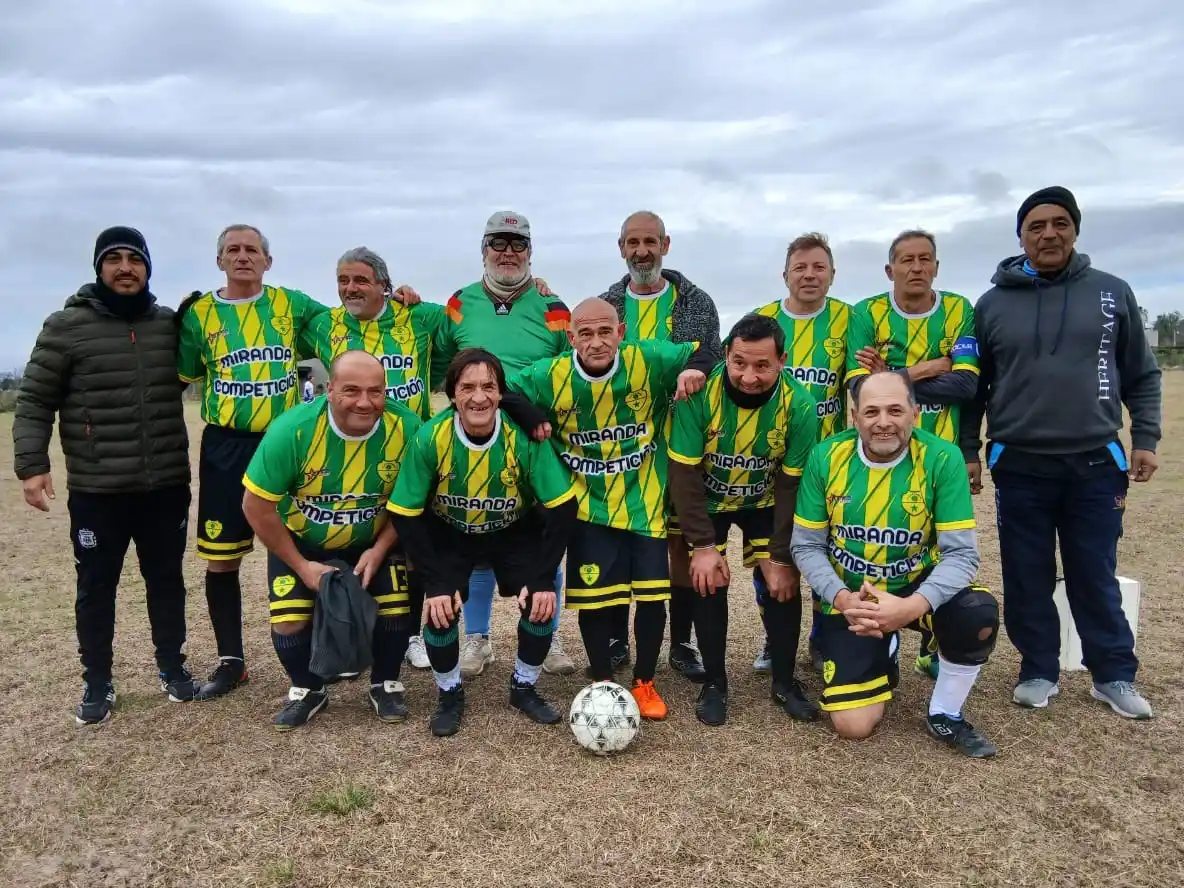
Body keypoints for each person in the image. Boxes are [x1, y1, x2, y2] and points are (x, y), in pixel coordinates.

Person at [961, 186, 1161, 719]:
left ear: (1074, 230)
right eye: (1036, 226)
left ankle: (1113, 673)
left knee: (1092, 569)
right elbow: (974, 386)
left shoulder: (1110, 292)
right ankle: (1038, 669)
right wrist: (969, 450)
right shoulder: (992, 303)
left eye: (1059, 224)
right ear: (1021, 236)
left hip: (1095, 462)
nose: (1048, 234)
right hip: (1020, 462)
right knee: (1027, 571)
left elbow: (1141, 373)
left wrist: (1146, 439)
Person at [14, 226, 198, 724]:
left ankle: (173, 669)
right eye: (113, 259)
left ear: (147, 267)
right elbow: (33, 401)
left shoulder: (167, 325)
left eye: (134, 259)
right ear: (98, 267)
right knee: (97, 586)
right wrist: (32, 466)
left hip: (164, 484)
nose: (124, 268)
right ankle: (97, 681)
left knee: (166, 580)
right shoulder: (65, 327)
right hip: (99, 489)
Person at [509, 297, 713, 719]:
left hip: (644, 505)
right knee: (597, 602)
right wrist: (529, 414)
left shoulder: (648, 358)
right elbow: (503, 388)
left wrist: (697, 369)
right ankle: (602, 679)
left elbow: (706, 349)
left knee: (652, 599)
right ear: (571, 338)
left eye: (606, 332)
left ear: (621, 332)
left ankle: (644, 682)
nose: (597, 342)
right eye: (586, 333)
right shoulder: (550, 376)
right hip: (588, 510)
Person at [791, 370, 999, 758]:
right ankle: (883, 648)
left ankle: (945, 713)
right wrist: (840, 598)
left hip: (917, 590)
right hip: (855, 599)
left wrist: (908, 608)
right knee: (853, 726)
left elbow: (961, 555)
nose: (883, 422)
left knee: (976, 613)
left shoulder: (942, 457)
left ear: (915, 414)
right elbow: (806, 547)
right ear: (854, 417)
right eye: (871, 412)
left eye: (894, 410)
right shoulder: (826, 457)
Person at [388, 349, 578, 736]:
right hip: (450, 532)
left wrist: (542, 577)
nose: (479, 397)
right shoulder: (431, 438)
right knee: (440, 610)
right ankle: (449, 693)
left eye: (488, 387)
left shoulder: (523, 437)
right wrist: (435, 580)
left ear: (501, 393)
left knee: (540, 604)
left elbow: (563, 507)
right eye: (468, 387)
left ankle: (523, 687)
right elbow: (404, 512)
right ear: (452, 393)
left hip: (511, 530)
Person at [420, 211, 576, 677]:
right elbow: (443, 364)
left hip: (534, 437)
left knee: (545, 532)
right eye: (498, 243)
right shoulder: (458, 303)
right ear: (483, 248)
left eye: (518, 244)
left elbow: (569, 373)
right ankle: (477, 638)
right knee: (478, 531)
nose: (508, 252)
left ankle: (547, 636)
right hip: (470, 433)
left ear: (531, 251)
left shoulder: (554, 306)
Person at [177, 223, 327, 700]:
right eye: (233, 250)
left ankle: (326, 648)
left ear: (268, 261)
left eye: (253, 250)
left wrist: (396, 293)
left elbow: (348, 322)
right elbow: (182, 373)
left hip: (286, 442)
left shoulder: (293, 306)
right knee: (222, 559)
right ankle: (231, 660)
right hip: (226, 444)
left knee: (309, 546)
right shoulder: (198, 315)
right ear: (219, 260)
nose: (243, 256)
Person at [241, 350, 423, 729]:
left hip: (371, 539)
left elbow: (412, 501)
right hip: (303, 542)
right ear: (329, 390)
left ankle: (385, 684)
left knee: (395, 607)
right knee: (289, 620)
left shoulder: (407, 428)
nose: (364, 402)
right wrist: (301, 565)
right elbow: (256, 507)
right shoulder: (292, 430)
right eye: (351, 390)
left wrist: (380, 547)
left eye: (375, 392)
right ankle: (308, 690)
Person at [668, 314, 821, 725]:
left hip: (766, 500)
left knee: (783, 585)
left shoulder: (801, 405)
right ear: (727, 355)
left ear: (782, 360)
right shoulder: (698, 395)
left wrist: (782, 557)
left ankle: (785, 682)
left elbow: (792, 486)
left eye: (762, 366)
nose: (749, 376)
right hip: (709, 500)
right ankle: (715, 682)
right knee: (707, 578)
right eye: (739, 363)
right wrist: (701, 546)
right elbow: (683, 474)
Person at [303, 246, 448, 672]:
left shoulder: (420, 317)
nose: (351, 288)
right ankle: (346, 629)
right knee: (355, 538)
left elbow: (470, 315)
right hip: (346, 450)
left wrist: (537, 289)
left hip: (412, 450)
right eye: (343, 280)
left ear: (385, 284)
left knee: (413, 544)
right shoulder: (321, 323)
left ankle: (414, 634)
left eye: (361, 280)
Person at [594, 210, 723, 683]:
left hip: (678, 445)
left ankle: (681, 643)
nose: (641, 250)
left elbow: (711, 353)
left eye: (650, 241)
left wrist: (697, 367)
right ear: (621, 247)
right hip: (619, 447)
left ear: (665, 245)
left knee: (677, 546)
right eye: (632, 242)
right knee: (618, 544)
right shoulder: (608, 301)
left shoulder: (695, 300)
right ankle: (613, 638)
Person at [844, 229, 980, 680]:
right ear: (890, 270)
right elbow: (858, 388)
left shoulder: (960, 309)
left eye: (925, 259)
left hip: (938, 455)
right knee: (882, 550)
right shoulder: (867, 313)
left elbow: (966, 384)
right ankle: (872, 635)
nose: (916, 267)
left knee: (940, 554)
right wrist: (929, 366)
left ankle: (933, 643)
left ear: (937, 267)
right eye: (906, 260)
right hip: (882, 451)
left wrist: (890, 374)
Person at [753, 231, 851, 675]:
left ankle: (823, 639)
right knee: (773, 553)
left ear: (832, 274)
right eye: (801, 267)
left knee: (829, 553)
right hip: (774, 464)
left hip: (831, 463)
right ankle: (777, 641)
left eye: (819, 267)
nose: (809, 275)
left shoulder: (852, 319)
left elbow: (861, 382)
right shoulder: (763, 319)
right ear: (785, 274)